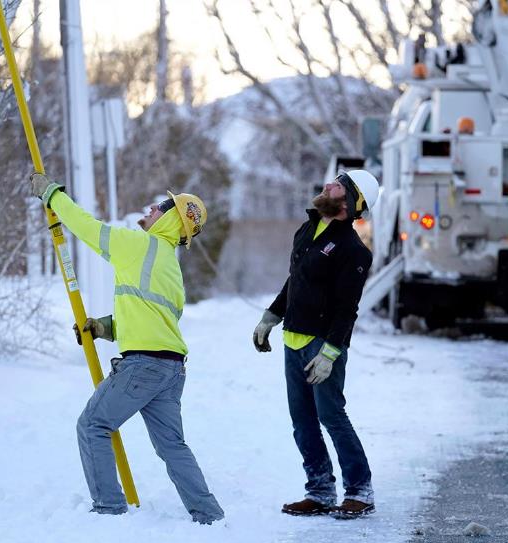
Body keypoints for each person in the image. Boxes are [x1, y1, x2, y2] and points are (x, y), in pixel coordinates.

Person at [29, 173, 224, 524]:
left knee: (93, 425)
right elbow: (152, 320)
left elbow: (86, 228)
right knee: (172, 447)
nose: (152, 206)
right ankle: (209, 514)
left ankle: (108, 509)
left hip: (143, 366)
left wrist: (52, 195)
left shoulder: (138, 245)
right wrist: (105, 326)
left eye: (163, 205)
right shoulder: (170, 267)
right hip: (171, 369)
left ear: (171, 218)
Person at [253, 170, 380, 520]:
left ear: (352, 201)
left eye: (337, 184)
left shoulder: (353, 250)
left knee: (332, 416)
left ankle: (359, 490)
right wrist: (271, 316)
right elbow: (296, 280)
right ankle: (321, 490)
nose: (327, 185)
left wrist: (331, 352)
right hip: (293, 340)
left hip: (323, 347)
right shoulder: (308, 229)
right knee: (303, 421)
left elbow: (346, 309)